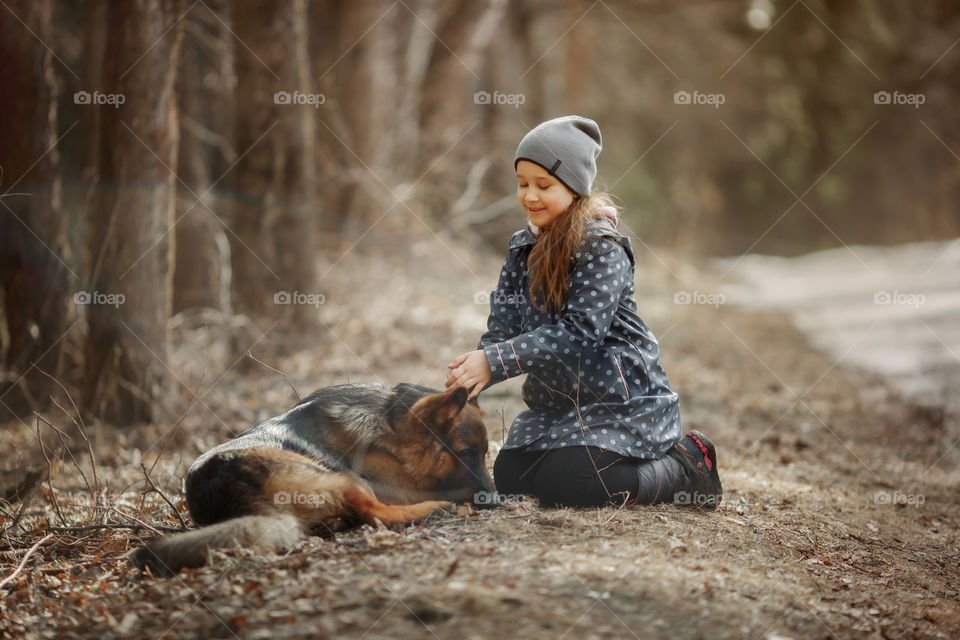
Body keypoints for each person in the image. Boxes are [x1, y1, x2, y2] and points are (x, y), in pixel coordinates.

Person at [445, 115, 722, 509]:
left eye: (544, 185)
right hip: (558, 405)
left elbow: (581, 333)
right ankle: (583, 460)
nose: (530, 196)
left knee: (574, 482)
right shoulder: (522, 246)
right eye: (523, 183)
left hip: (622, 404)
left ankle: (686, 465)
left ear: (574, 188)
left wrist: (496, 361)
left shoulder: (601, 247)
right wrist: (474, 374)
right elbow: (503, 321)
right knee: (510, 475)